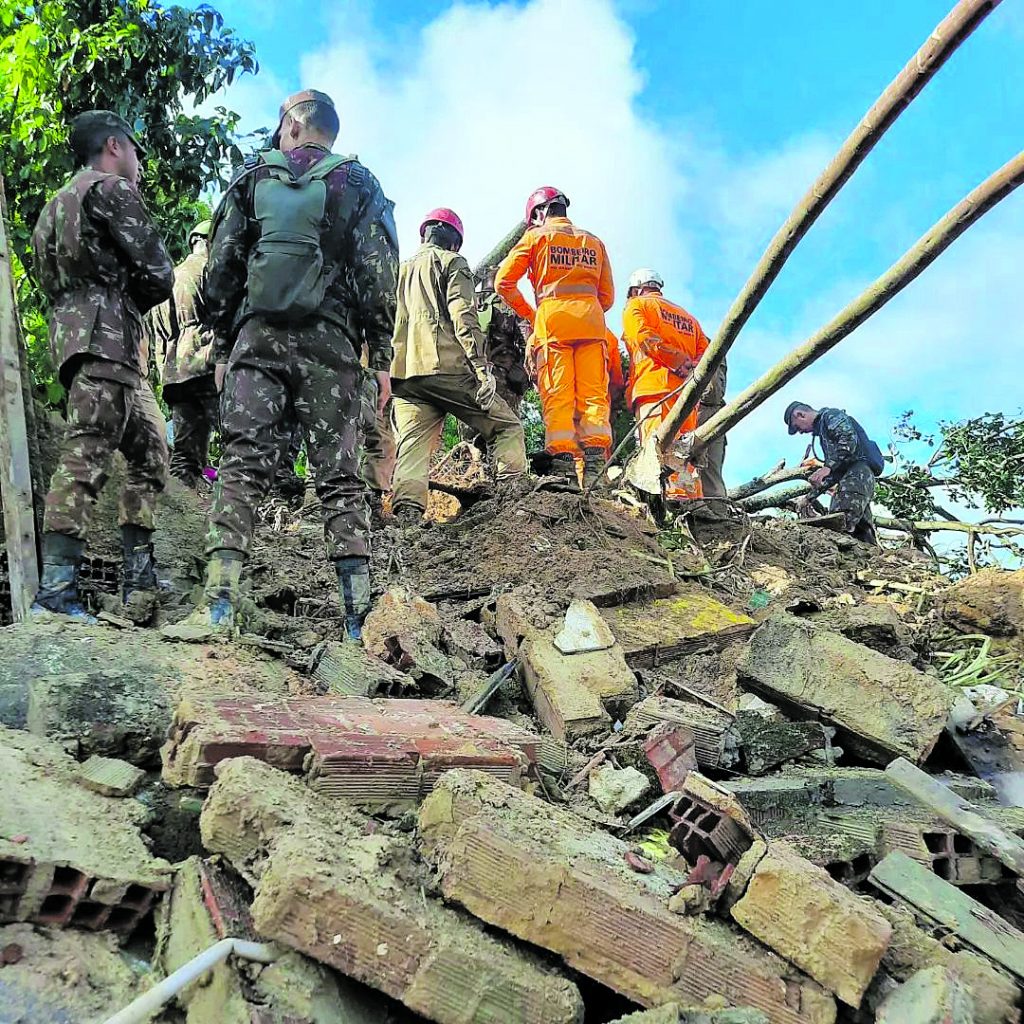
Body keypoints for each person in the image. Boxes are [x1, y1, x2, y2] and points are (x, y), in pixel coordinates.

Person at [194, 89, 399, 640]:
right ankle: (357, 620)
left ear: (289, 127)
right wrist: (379, 354)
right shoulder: (358, 184)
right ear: (330, 131)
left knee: (242, 463)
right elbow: (378, 276)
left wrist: (220, 342)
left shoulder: (252, 177)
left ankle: (218, 604)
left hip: (256, 339)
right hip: (331, 346)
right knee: (340, 476)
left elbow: (221, 268)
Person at [30, 110, 173, 621]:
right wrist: (130, 293)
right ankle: (57, 589)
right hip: (107, 335)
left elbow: (51, 280)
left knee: (151, 449)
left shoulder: (51, 208)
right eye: (134, 149)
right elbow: (159, 271)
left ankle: (138, 574)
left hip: (75, 340)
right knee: (87, 451)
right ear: (114, 145)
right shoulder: (110, 189)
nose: (137, 161)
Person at [390, 208, 527, 521]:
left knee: (413, 445)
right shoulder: (452, 263)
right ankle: (513, 503)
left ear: (424, 234)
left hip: (405, 377)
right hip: (447, 368)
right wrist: (482, 370)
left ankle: (407, 514)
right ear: (454, 242)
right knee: (507, 426)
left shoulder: (398, 270)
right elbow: (464, 318)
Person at [495, 187, 614, 491]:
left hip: (552, 323)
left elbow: (503, 282)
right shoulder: (594, 241)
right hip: (591, 324)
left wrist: (533, 315)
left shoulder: (535, 238)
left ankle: (564, 470)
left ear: (538, 213)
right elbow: (608, 297)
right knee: (592, 397)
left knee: (558, 394)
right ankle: (596, 470)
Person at [621, 268, 709, 503]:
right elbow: (706, 352)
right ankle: (692, 503)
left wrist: (676, 361)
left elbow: (643, 337)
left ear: (636, 288)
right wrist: (689, 368)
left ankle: (669, 504)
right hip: (687, 394)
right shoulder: (690, 319)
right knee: (686, 449)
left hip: (654, 389)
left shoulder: (637, 306)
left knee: (658, 449)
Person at [147, 220, 219, 488]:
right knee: (240, 440)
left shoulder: (170, 277)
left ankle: (181, 507)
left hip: (175, 371)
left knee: (185, 454)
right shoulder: (210, 271)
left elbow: (157, 334)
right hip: (207, 364)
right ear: (209, 241)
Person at [783, 402, 880, 544]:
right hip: (855, 478)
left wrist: (827, 467)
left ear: (800, 415)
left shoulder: (831, 415)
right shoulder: (823, 432)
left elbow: (848, 441)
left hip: (857, 474)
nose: (800, 432)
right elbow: (835, 473)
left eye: (797, 427)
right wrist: (809, 498)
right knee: (862, 533)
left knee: (837, 524)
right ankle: (872, 562)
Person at [697, 359, 728, 498]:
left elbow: (713, 392)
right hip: (694, 408)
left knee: (711, 471)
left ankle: (718, 511)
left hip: (713, 411)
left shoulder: (707, 344)